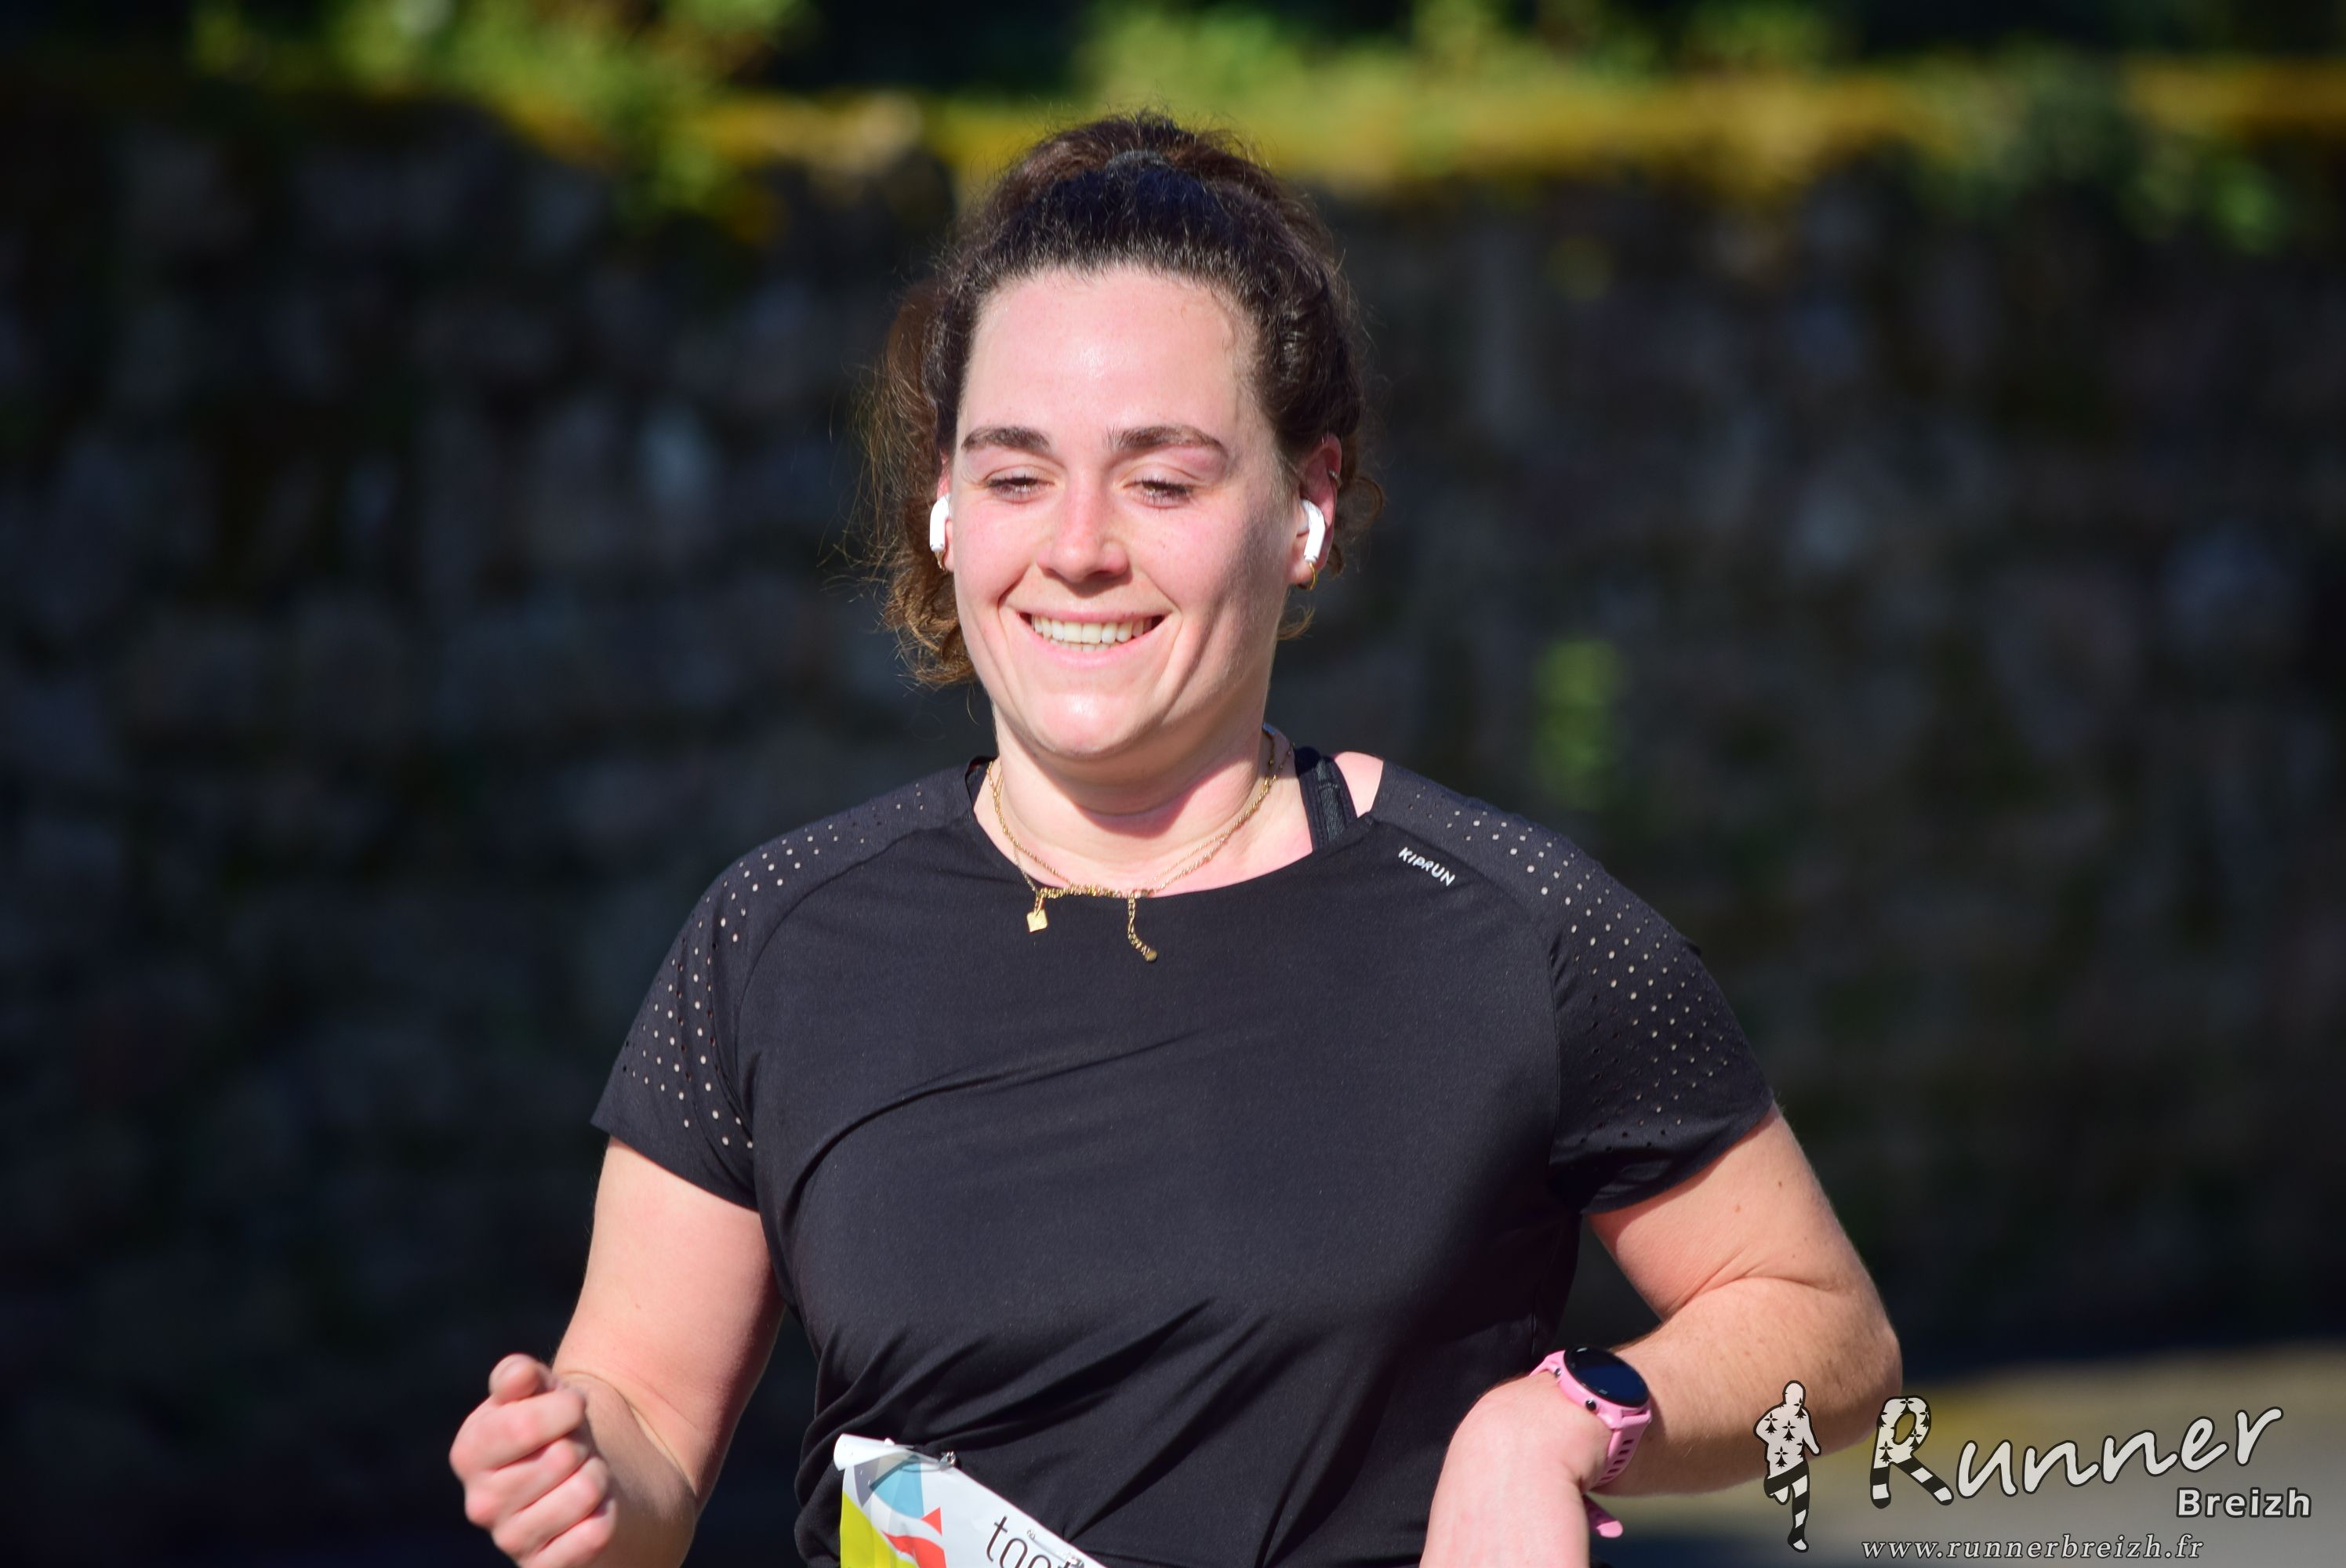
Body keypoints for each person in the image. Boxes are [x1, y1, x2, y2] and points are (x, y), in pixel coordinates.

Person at [449, 110, 1901, 1568]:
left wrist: (1558, 1423)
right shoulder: (771, 939)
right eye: (1016, 475)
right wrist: (577, 1472)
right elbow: (644, 1424)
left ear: (1306, 507)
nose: (1080, 547)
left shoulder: (1517, 928)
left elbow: (1829, 1336)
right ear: (945, 505)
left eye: (1161, 480)